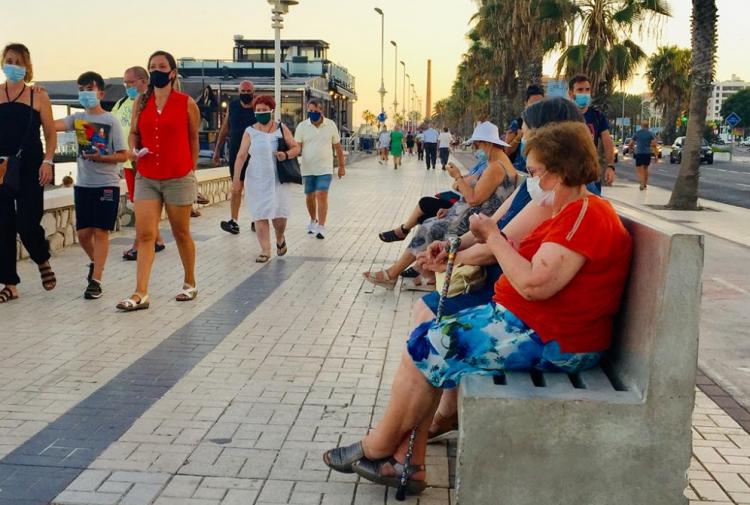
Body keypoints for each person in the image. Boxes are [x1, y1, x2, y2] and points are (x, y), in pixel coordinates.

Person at [323, 120, 633, 495]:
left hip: (554, 339)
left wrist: (493, 239)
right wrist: (457, 249)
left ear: (560, 171)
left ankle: (378, 448)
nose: (530, 178)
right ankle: (407, 462)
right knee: (427, 344)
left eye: (534, 172)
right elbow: (506, 245)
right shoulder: (560, 205)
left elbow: (536, 284)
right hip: (532, 326)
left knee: (429, 347)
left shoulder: (585, 216)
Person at [416, 96, 589, 440]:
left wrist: (455, 257)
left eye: (524, 132)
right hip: (510, 293)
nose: (519, 140)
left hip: (526, 309)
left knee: (427, 330)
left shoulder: (559, 194)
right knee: (425, 323)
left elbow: (500, 246)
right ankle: (428, 422)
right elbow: (488, 226)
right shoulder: (534, 184)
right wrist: (451, 247)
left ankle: (416, 434)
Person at [363, 121, 517, 289]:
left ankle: (393, 274)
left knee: (429, 228)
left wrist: (458, 176)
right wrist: (451, 208)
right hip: (470, 216)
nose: (475, 148)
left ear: (487, 143)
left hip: (474, 222)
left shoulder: (496, 167)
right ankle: (424, 274)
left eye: (477, 144)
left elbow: (474, 199)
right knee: (429, 222)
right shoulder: (496, 163)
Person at [116, 50, 200, 311]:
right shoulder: (142, 101)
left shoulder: (186, 103)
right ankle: (141, 292)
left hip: (178, 176)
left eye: (162, 66)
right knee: (145, 234)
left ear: (172, 72)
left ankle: (190, 282)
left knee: (181, 232)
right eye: (152, 66)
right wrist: (133, 148)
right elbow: (132, 134)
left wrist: (190, 169)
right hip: (147, 175)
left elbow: (193, 139)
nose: (156, 70)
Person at [54, 71, 127, 299]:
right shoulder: (76, 119)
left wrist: (101, 158)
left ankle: (96, 280)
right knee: (84, 234)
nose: (86, 94)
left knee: (100, 231)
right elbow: (51, 124)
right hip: (83, 185)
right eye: (82, 89)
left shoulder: (110, 120)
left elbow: (123, 155)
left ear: (100, 92)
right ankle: (95, 263)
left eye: (90, 89)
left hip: (106, 184)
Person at [0, 43, 57, 304]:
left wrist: (48, 162)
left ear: (27, 66)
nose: (12, 65)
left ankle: (41, 258)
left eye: (18, 61)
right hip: (1, 168)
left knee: (27, 222)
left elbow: (51, 134)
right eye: (8, 60)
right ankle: (9, 284)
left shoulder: (38, 96)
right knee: (3, 226)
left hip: (31, 165)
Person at [232, 95, 300, 262]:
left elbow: (296, 147)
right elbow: (241, 156)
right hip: (256, 179)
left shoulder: (281, 128)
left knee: (279, 216)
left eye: (264, 110)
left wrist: (286, 154)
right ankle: (265, 249)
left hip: (278, 179)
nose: (261, 112)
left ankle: (280, 238)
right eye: (258, 110)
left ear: (271, 110)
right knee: (260, 214)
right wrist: (236, 179)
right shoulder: (250, 131)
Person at [111, 66, 166, 261]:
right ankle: (157, 239)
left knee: (142, 206)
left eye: (131, 82)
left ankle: (138, 244)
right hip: (127, 161)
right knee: (138, 203)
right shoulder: (121, 103)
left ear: (144, 81)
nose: (127, 86)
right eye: (125, 82)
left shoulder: (152, 101)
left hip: (145, 160)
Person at [294, 98, 345, 239]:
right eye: (310, 111)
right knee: (310, 196)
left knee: (321, 194)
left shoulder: (331, 125)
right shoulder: (302, 127)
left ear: (321, 111)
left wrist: (341, 166)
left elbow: (338, 148)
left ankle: (321, 226)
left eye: (315, 111)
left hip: (325, 169)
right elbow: (297, 147)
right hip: (308, 168)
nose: (313, 113)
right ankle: (313, 219)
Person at [213, 80, 257, 235]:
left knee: (253, 189)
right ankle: (234, 221)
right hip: (235, 154)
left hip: (254, 155)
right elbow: (225, 128)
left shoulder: (258, 107)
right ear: (239, 92)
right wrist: (217, 149)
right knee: (236, 187)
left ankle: (256, 220)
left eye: (248, 91)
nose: (245, 94)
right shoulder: (233, 106)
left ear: (253, 91)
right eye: (243, 91)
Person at [568, 74, 616, 191]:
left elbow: (607, 142)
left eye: (587, 90)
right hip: (568, 174)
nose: (584, 93)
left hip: (590, 176)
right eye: (580, 90)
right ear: (571, 93)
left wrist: (610, 166)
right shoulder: (564, 115)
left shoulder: (598, 116)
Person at [504, 84, 545, 172]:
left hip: (539, 174)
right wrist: (519, 137)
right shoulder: (518, 123)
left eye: (540, 103)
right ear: (525, 103)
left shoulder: (547, 124)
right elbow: (506, 151)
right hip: (519, 173)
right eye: (533, 104)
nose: (536, 107)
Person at [629, 120, 658, 190]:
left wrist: (631, 149)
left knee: (639, 168)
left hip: (638, 153)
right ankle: (644, 184)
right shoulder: (651, 134)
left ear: (641, 126)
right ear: (648, 126)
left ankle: (642, 182)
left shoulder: (637, 133)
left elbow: (631, 143)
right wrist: (656, 155)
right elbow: (654, 145)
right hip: (647, 153)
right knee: (645, 168)